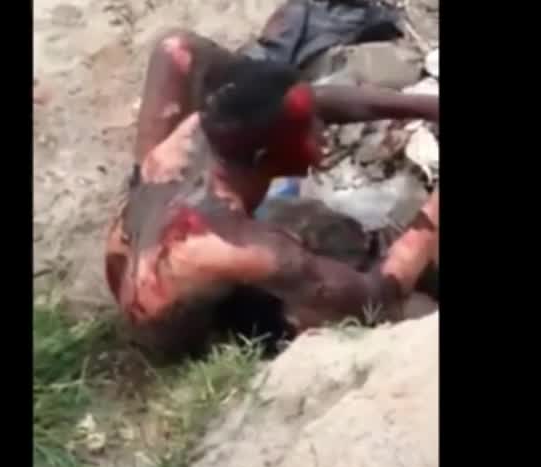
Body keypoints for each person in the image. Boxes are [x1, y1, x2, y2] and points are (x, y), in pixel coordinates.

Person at [105, 29, 439, 359]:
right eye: (311, 131)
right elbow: (375, 301)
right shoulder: (246, 246)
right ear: (265, 157)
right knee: (412, 307)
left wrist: (427, 107)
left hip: (150, 251)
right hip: (192, 332)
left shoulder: (206, 126)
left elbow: (292, 102)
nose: (322, 132)